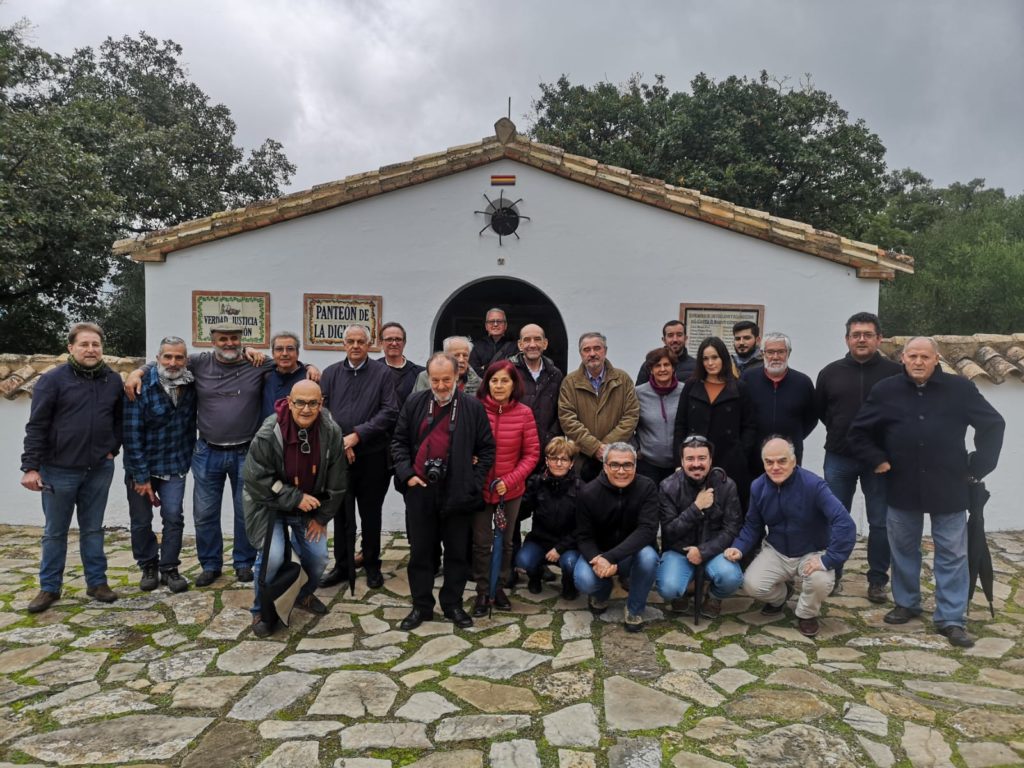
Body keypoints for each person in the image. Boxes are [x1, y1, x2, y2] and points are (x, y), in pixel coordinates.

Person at [126, 322, 319, 586]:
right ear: (212, 341)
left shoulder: (257, 363)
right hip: (207, 451)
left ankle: (243, 562)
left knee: (245, 510)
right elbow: (167, 361)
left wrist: (310, 367)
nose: (228, 343)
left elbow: (287, 361)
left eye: (233, 339)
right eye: (222, 339)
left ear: (241, 340)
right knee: (205, 512)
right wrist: (137, 371)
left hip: (247, 452)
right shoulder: (198, 362)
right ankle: (211, 564)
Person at [847, 337, 1005, 648]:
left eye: (925, 357)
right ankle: (907, 602)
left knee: (952, 552)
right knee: (904, 548)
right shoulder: (885, 390)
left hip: (949, 483)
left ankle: (951, 617)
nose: (918, 362)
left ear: (936, 360)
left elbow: (993, 424)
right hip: (901, 482)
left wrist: (978, 466)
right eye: (913, 356)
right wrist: (877, 460)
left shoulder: (960, 389)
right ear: (903, 358)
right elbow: (859, 432)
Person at [21, 322, 123, 613]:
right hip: (57, 470)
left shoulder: (112, 380)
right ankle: (49, 588)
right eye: (84, 344)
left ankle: (97, 583)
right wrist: (30, 467)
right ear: (71, 347)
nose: (91, 350)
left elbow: (119, 421)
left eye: (96, 345)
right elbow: (36, 425)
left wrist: (112, 449)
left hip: (98, 470)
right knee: (55, 531)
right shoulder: (52, 381)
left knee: (93, 529)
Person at [391, 352, 495, 631]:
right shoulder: (415, 403)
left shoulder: (472, 407)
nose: (440, 386)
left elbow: (487, 449)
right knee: (421, 553)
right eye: (435, 380)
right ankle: (421, 606)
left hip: (459, 493)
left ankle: (453, 605)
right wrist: (407, 474)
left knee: (457, 554)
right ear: (428, 378)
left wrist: (473, 481)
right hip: (421, 491)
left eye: (446, 379)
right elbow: (399, 442)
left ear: (457, 376)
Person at [243, 380, 347, 637]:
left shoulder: (331, 431)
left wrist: (322, 518)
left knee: (319, 557)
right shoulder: (269, 432)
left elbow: (338, 481)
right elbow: (256, 480)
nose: (306, 409)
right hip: (270, 506)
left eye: (313, 403)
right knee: (274, 557)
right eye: (299, 402)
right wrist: (295, 497)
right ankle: (261, 609)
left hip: (309, 508)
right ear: (289, 403)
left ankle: (301, 594)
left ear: (321, 404)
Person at [724, 436, 856, 637]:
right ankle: (781, 597)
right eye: (769, 462)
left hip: (811, 552)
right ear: (764, 463)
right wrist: (739, 547)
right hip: (777, 551)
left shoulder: (815, 486)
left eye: (782, 461)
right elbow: (753, 524)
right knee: (751, 584)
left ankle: (806, 613)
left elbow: (844, 523)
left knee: (820, 580)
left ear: (793, 461)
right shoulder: (758, 487)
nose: (775, 467)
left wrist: (829, 559)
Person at [814, 311, 902, 603]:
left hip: (879, 461)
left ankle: (877, 580)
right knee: (836, 519)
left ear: (879, 338)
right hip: (839, 457)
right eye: (856, 334)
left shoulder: (894, 373)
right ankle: (833, 574)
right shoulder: (830, 373)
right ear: (847, 339)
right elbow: (824, 413)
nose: (861, 339)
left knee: (880, 522)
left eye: (867, 334)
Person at [319, 325, 399, 590]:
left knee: (370, 513)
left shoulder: (382, 373)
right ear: (344, 345)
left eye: (360, 342)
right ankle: (343, 565)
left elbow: (389, 411)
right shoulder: (330, 373)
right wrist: (341, 441)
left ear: (369, 345)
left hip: (372, 455)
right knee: (342, 514)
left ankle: (372, 564)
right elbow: (323, 412)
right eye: (350, 341)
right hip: (339, 456)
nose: (355, 346)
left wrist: (357, 436)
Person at [122, 335, 196, 594]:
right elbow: (131, 435)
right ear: (157, 359)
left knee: (174, 518)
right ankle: (148, 565)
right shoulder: (139, 387)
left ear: (186, 360)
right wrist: (141, 477)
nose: (173, 362)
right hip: (141, 467)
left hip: (175, 465)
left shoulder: (191, 384)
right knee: (141, 520)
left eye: (179, 357)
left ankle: (170, 567)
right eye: (168, 356)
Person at [470, 361, 540, 615]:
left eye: (505, 381)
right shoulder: (475, 409)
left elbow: (532, 454)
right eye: (494, 380)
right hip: (480, 488)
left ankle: (497, 587)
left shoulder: (524, 413)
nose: (499, 386)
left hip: (510, 491)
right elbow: (463, 444)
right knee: (480, 542)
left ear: (514, 384)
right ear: (487, 383)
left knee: (506, 541)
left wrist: (509, 481)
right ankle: (481, 591)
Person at [574, 443, 660, 633]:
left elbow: (647, 530)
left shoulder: (647, 487)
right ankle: (602, 592)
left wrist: (610, 558)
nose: (621, 471)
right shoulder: (588, 493)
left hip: (632, 553)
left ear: (635, 466)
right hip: (600, 553)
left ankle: (634, 609)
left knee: (649, 558)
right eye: (615, 465)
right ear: (605, 467)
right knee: (583, 579)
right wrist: (598, 559)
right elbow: (583, 536)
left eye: (627, 465)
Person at [657, 435, 744, 619]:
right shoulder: (668, 486)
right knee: (668, 588)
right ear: (681, 461)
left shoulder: (726, 485)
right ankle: (687, 589)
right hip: (680, 551)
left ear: (711, 460)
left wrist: (703, 552)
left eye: (702, 458)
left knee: (731, 577)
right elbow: (669, 531)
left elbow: (732, 528)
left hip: (714, 550)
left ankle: (713, 596)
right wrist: (696, 508)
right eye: (690, 459)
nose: (696, 464)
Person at [673, 336, 756, 509]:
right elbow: (681, 424)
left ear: (723, 358)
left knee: (728, 510)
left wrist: (741, 452)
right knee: (696, 509)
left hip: (730, 460)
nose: (710, 363)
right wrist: (679, 460)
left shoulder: (739, 387)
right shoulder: (691, 385)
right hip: (696, 460)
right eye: (705, 358)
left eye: (715, 357)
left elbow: (749, 426)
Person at [558, 332, 639, 482]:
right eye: (587, 350)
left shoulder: (623, 379)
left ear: (605, 351)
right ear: (580, 353)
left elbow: (631, 415)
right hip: (583, 459)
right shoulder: (569, 382)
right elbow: (567, 419)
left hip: (617, 458)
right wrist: (595, 447)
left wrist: (607, 447)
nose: (592, 353)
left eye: (597, 348)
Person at [515, 437, 582, 598]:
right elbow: (523, 511)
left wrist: (559, 548)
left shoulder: (581, 488)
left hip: (568, 544)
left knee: (570, 563)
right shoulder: (537, 482)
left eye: (564, 459)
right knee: (523, 560)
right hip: (540, 540)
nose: (559, 464)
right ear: (547, 460)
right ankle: (535, 576)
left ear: (571, 463)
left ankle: (569, 582)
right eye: (554, 458)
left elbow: (583, 527)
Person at [741, 332, 817, 465]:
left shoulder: (803, 382)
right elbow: (741, 415)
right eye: (770, 352)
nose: (775, 357)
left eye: (781, 351)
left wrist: (792, 437)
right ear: (762, 353)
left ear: (788, 353)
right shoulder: (747, 379)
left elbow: (811, 418)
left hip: (789, 455)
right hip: (754, 455)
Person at [634, 346, 684, 484]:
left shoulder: (685, 391)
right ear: (651, 369)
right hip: (648, 465)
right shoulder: (638, 393)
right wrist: (636, 449)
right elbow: (628, 423)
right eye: (657, 366)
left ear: (673, 367)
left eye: (667, 364)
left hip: (679, 465)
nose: (662, 369)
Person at [261, 332, 310, 419]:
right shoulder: (265, 375)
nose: (284, 353)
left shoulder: (308, 378)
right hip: (267, 431)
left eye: (290, 349)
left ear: (297, 353)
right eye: (279, 349)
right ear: (273, 354)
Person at [413, 336, 481, 396]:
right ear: (445, 356)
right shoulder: (425, 377)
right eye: (456, 355)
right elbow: (415, 406)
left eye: (465, 355)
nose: (461, 360)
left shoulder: (479, 383)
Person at [378, 321, 425, 405]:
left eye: (398, 339)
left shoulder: (419, 373)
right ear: (381, 343)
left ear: (404, 343)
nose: (394, 343)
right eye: (389, 339)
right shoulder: (372, 370)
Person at [469, 307, 517, 377]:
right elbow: (473, 372)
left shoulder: (515, 346)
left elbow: (515, 370)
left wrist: (485, 367)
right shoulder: (475, 346)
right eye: (491, 321)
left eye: (499, 321)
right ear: (486, 326)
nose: (495, 324)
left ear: (505, 325)